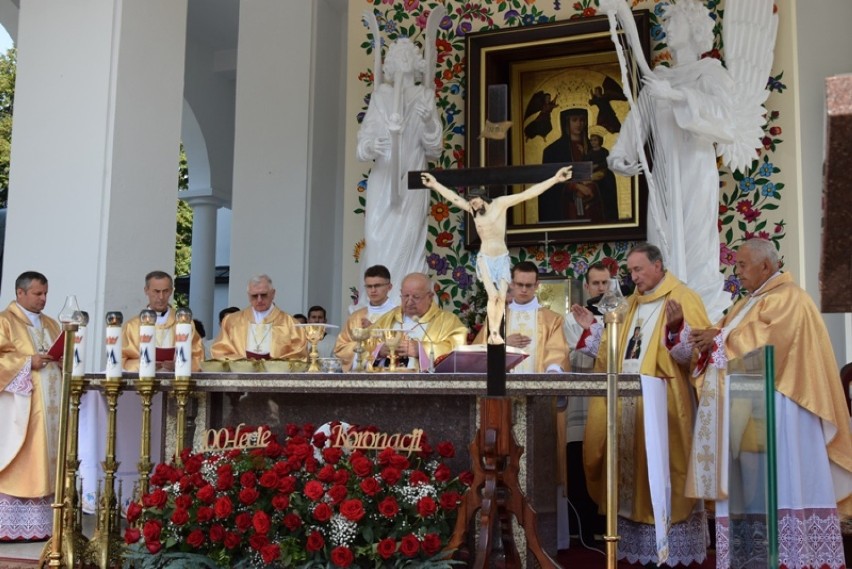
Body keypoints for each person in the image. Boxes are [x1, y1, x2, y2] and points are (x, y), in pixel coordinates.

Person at [685, 239, 852, 568]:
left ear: (766, 265)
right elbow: (729, 335)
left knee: (783, 485)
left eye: (743, 265)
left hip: (783, 407)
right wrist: (708, 338)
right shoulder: (748, 302)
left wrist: (718, 340)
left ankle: (790, 555)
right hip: (751, 405)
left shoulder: (789, 298)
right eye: (737, 265)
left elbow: (769, 343)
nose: (738, 272)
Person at [571, 243, 711, 567]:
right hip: (628, 410)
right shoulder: (629, 303)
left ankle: (670, 550)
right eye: (630, 271)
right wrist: (592, 331)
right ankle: (638, 552)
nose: (633, 277)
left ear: (658, 265)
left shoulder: (683, 298)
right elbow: (612, 350)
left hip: (666, 410)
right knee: (630, 484)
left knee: (664, 475)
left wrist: (677, 331)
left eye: (638, 269)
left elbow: (695, 360)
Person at [604, 0, 742, 322]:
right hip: (664, 178)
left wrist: (678, 96)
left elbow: (725, 123)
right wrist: (619, 156)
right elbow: (637, 123)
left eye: (674, 23)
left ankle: (697, 312)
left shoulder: (709, 73)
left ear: (694, 28)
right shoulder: (659, 79)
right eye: (665, 25)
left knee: (696, 244)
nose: (668, 30)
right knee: (661, 244)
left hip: (694, 172)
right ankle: (664, 310)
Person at [420, 165, 573, 345]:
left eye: (475, 201)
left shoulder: (500, 204)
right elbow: (453, 198)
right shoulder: (472, 210)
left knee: (501, 297)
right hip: (485, 258)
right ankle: (494, 333)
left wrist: (555, 179)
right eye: (471, 202)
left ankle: (495, 333)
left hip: (501, 258)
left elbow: (527, 194)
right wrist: (435, 184)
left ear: (482, 198)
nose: (473, 205)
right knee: (492, 296)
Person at [356, 30, 443, 308]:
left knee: (410, 239)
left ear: (417, 63)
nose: (402, 59)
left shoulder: (424, 97)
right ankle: (377, 302)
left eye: (409, 54)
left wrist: (429, 121)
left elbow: (435, 148)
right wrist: (372, 146)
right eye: (397, 54)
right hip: (383, 179)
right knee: (376, 238)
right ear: (389, 64)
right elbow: (361, 145)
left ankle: (408, 301)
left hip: (412, 180)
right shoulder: (380, 97)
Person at [0, 271, 61, 541]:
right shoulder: (4, 322)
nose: (43, 299)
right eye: (38, 294)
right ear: (20, 293)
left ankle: (42, 526)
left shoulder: (51, 324)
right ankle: (9, 526)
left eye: (45, 293)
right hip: (21, 409)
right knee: (22, 456)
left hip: (51, 408)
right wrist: (27, 363)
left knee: (49, 459)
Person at [558, 262, 611, 548]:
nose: (601, 288)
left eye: (606, 283)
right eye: (596, 283)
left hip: (611, 398)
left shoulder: (621, 315)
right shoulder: (572, 318)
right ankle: (586, 529)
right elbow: (578, 352)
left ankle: (610, 524)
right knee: (581, 458)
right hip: (584, 399)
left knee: (609, 460)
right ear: (587, 286)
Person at [472, 261, 569, 374]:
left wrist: (553, 372)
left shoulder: (553, 320)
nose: (524, 290)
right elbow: (477, 351)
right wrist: (503, 345)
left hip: (538, 386)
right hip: (503, 387)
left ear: (537, 285)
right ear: (512, 283)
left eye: (528, 285)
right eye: (519, 284)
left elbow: (557, 352)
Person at [371, 272, 467, 372]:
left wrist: (422, 350)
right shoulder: (389, 318)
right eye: (406, 296)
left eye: (416, 297)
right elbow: (364, 342)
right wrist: (379, 351)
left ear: (430, 297)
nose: (409, 301)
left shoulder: (448, 321)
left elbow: (459, 352)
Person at [121, 271, 204, 372]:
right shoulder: (132, 326)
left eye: (165, 291)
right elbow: (121, 361)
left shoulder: (184, 323)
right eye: (156, 291)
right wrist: (144, 365)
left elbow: (199, 358)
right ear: (146, 290)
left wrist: (179, 365)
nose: (161, 297)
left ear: (171, 291)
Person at [210, 275, 307, 361]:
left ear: (273, 293)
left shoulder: (292, 324)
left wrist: (274, 365)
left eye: (264, 295)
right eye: (254, 296)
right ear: (248, 295)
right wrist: (242, 362)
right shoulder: (231, 321)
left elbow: (299, 355)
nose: (259, 300)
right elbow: (220, 351)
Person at [539, 108, 603, 222]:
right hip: (567, 210)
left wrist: (593, 183)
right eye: (574, 120)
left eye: (582, 120)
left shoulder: (595, 150)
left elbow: (606, 175)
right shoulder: (553, 150)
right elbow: (548, 183)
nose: (579, 124)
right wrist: (575, 187)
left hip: (592, 207)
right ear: (566, 122)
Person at [334, 265, 397, 371]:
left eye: (377, 286)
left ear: (389, 287)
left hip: (389, 371)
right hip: (360, 373)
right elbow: (340, 349)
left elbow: (402, 344)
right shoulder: (356, 317)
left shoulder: (398, 314)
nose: (373, 290)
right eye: (369, 286)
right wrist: (370, 348)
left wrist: (371, 331)